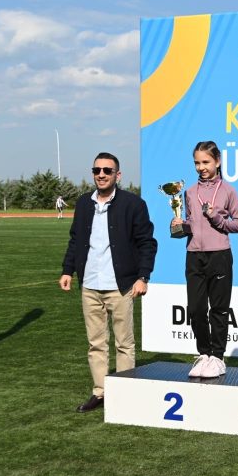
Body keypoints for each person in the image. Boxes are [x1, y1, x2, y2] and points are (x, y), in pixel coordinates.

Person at [60, 152, 157, 412]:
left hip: (121, 285)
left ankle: (125, 394)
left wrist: (143, 277)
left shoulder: (133, 204)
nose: (101, 175)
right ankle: (100, 393)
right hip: (90, 284)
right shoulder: (83, 203)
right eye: (97, 170)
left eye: (107, 170)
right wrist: (68, 270)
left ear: (118, 175)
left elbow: (147, 243)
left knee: (124, 343)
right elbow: (75, 240)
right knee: (96, 344)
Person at [170, 141, 238, 378]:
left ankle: (218, 357)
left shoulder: (228, 191)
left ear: (217, 161)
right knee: (196, 309)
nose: (201, 167)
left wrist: (217, 218)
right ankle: (204, 354)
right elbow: (191, 224)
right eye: (197, 163)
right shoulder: (189, 192)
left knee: (219, 310)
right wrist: (180, 225)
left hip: (219, 255)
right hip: (194, 255)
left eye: (206, 162)